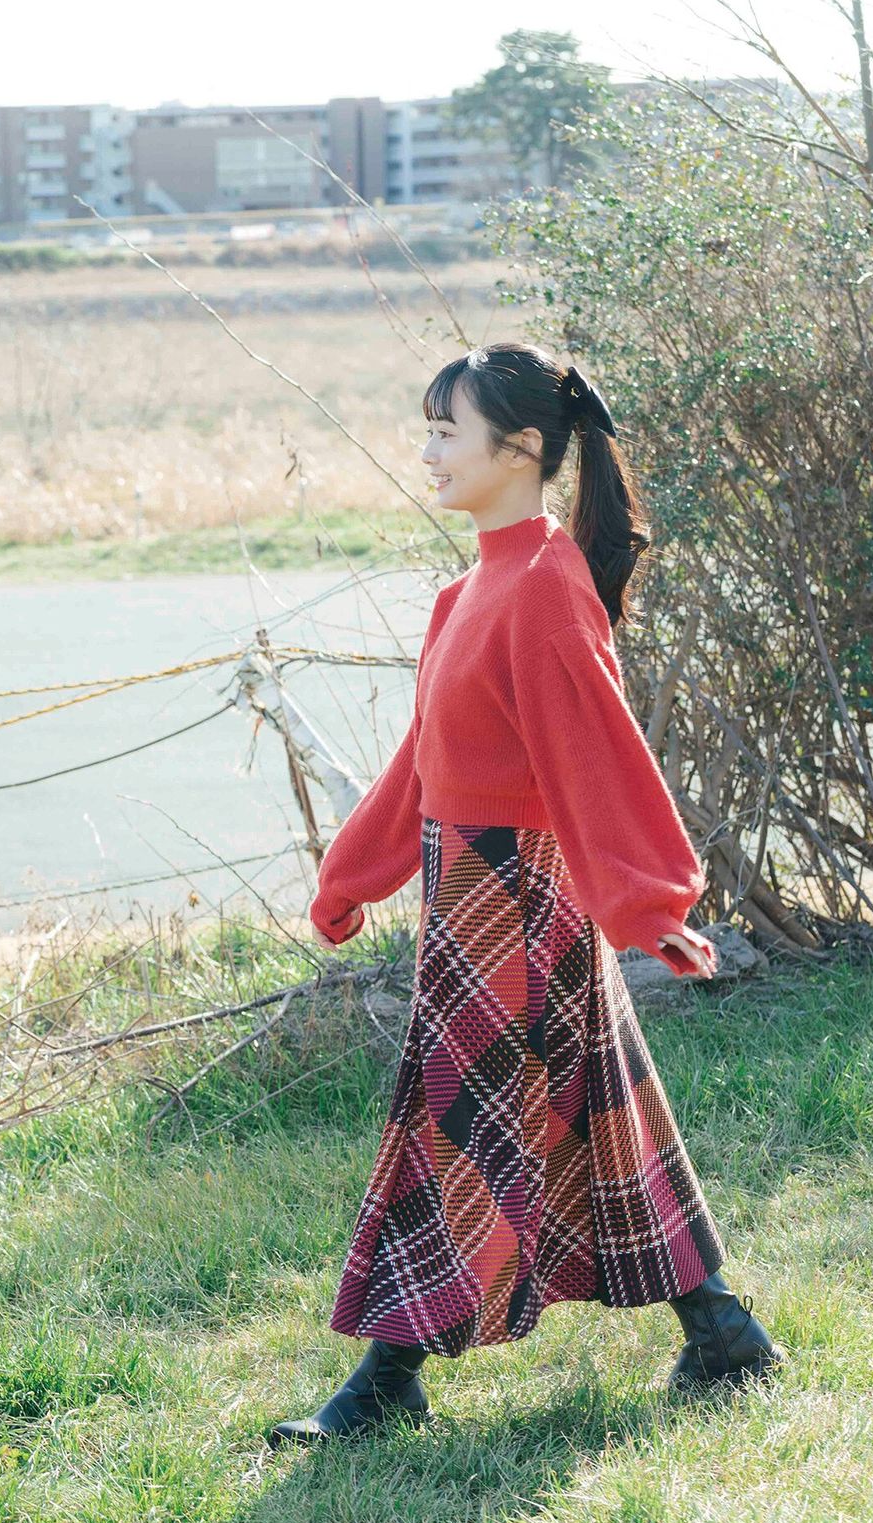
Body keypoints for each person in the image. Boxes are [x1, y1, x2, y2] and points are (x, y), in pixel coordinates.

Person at [271, 343, 783, 1447]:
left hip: (518, 897)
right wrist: (352, 877)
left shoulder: (548, 588)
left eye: (447, 432)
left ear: (523, 451)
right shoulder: (472, 588)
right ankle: (722, 1331)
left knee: (460, 1123)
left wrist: (650, 907)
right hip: (466, 887)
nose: (428, 453)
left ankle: (385, 1380)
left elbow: (596, 753)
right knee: (595, 1112)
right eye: (430, 430)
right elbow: (426, 761)